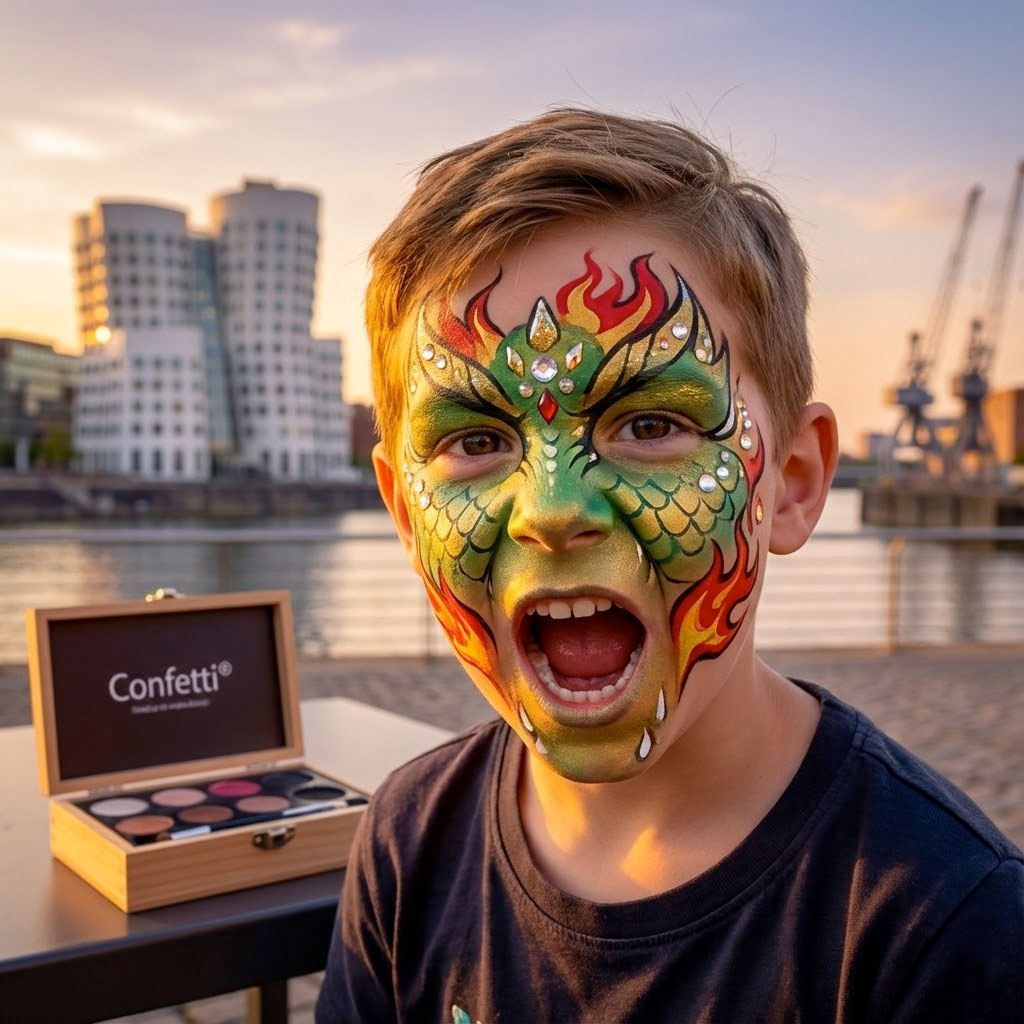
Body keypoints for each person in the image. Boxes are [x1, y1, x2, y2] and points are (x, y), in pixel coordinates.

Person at [316, 109, 1023, 1023]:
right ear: (406, 514)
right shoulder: (406, 845)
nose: (556, 508)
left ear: (796, 481)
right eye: (478, 439)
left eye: (651, 425)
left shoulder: (944, 924)